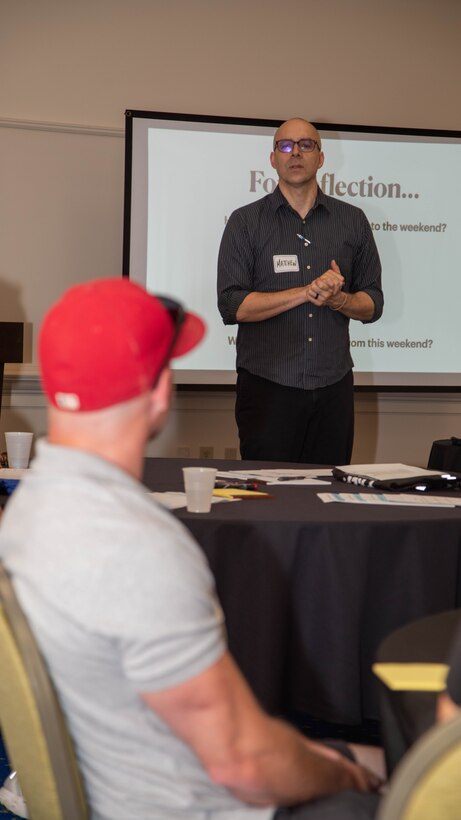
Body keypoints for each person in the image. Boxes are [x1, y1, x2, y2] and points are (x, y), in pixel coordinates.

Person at [0, 278, 383, 820]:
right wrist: (344, 775)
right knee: (413, 774)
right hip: (196, 804)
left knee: (381, 759)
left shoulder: (27, 507)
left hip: (119, 774)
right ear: (158, 393)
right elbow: (243, 766)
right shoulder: (141, 547)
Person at [217, 118, 383, 465]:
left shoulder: (352, 220)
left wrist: (340, 299)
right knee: (268, 497)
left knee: (328, 501)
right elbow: (233, 305)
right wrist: (307, 291)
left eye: (306, 145)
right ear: (273, 158)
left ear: (321, 158)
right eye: (286, 146)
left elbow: (372, 303)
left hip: (333, 385)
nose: (296, 153)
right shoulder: (245, 222)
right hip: (267, 387)